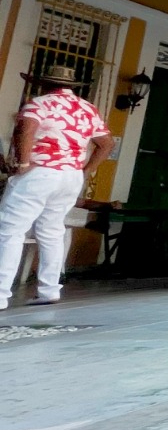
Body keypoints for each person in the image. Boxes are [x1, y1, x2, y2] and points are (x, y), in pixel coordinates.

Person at [0, 66, 112, 309]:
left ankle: (0, 294)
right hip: (70, 177)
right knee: (52, 231)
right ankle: (49, 290)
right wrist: (85, 170)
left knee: (10, 230)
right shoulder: (88, 108)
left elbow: (25, 130)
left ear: (42, 83)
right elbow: (106, 144)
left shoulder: (37, 104)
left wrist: (22, 162)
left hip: (38, 174)